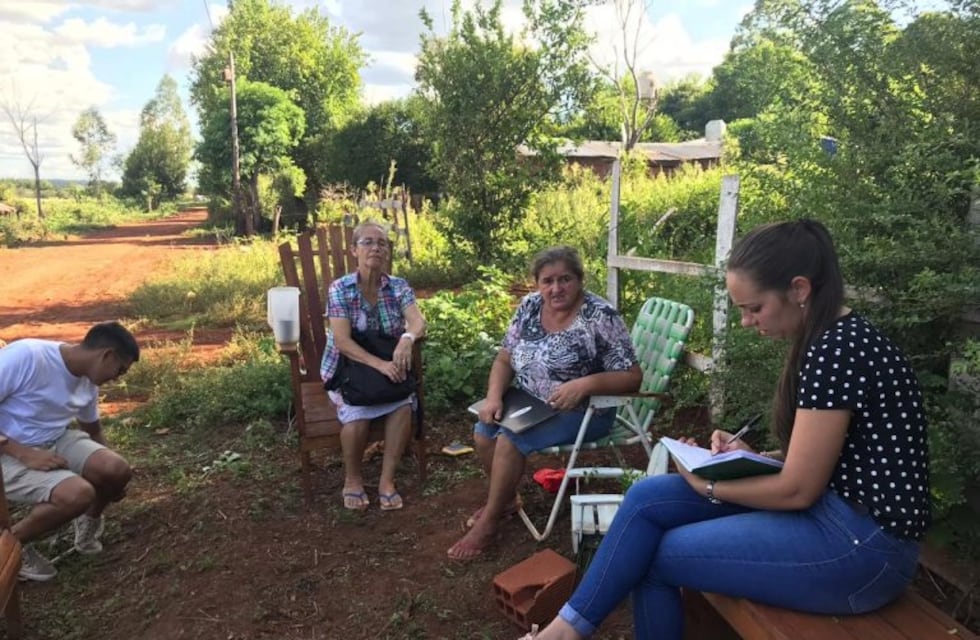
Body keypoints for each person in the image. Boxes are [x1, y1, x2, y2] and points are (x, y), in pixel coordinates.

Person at [523, 219, 930, 640]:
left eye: (754, 308)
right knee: (646, 498)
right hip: (832, 514)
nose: (747, 322)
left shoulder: (837, 350)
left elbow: (797, 490)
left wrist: (709, 487)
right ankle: (565, 631)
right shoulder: (829, 339)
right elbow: (829, 463)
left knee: (655, 557)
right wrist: (748, 458)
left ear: (800, 290)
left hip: (861, 549)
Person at [448, 246, 642, 561]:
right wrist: (495, 396)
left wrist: (584, 384)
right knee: (484, 432)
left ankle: (489, 522)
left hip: (584, 411)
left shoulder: (600, 316)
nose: (556, 288)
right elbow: (504, 358)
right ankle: (508, 500)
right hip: (528, 403)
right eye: (547, 281)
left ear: (580, 280)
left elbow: (632, 377)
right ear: (537, 283)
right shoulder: (528, 307)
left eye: (565, 279)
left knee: (511, 439)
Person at [0, 321, 138, 582]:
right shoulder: (28, 357)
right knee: (78, 494)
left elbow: (93, 430)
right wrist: (23, 453)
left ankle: (87, 523)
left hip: (54, 439)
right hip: (6, 451)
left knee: (117, 470)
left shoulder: (88, 382)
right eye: (120, 370)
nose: (117, 378)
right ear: (106, 355)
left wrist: (112, 481)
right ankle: (11, 547)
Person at [319, 220, 427, 512]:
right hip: (348, 366)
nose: (376, 248)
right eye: (367, 242)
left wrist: (407, 338)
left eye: (382, 243)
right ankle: (353, 480)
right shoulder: (340, 289)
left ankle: (386, 481)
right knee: (357, 416)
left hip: (387, 364)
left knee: (402, 406)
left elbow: (417, 321)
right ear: (354, 250)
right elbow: (341, 341)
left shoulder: (398, 287)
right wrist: (380, 365)